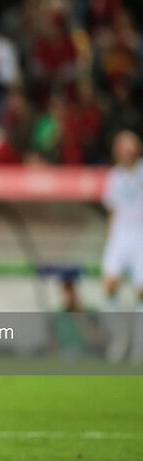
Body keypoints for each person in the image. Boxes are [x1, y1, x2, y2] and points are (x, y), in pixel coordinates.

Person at [101, 130, 143, 364]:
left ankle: (139, 345)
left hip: (141, 235)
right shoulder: (114, 176)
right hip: (120, 235)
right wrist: (111, 239)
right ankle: (119, 339)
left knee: (141, 291)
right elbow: (112, 209)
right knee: (109, 285)